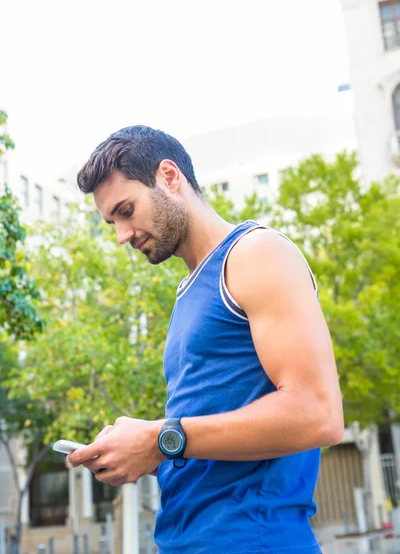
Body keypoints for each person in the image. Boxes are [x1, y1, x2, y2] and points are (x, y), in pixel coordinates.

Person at [67, 125, 344, 554]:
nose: (122, 235)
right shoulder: (189, 291)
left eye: (126, 210)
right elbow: (210, 436)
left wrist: (159, 438)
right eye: (111, 222)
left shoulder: (256, 253)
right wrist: (139, 449)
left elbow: (317, 414)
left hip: (253, 541)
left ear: (169, 177)